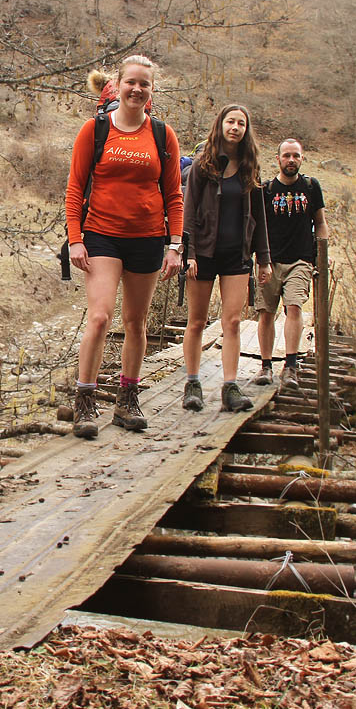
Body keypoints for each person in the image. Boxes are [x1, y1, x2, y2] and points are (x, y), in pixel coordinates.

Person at [66, 55, 183, 439]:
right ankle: (85, 401)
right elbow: (74, 187)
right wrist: (75, 239)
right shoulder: (94, 130)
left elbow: (173, 195)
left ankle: (127, 399)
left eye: (144, 84)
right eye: (131, 82)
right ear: (119, 84)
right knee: (100, 317)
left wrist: (175, 245)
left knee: (136, 323)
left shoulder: (162, 135)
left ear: (151, 91)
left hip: (148, 237)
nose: (137, 89)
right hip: (101, 234)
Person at [180, 104, 270, 412]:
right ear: (220, 125)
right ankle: (192, 384)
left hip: (237, 256)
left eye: (241, 123)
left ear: (246, 130)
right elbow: (188, 212)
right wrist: (187, 253)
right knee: (197, 321)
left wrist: (264, 259)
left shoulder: (249, 167)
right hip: (203, 254)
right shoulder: (202, 165)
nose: (235, 127)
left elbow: (259, 217)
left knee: (232, 321)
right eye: (230, 121)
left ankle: (230, 387)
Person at [251, 139, 329, 389]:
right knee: (266, 313)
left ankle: (291, 365)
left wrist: (321, 253)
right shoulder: (266, 189)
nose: (291, 160)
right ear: (278, 159)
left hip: (301, 260)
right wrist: (257, 258)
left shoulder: (310, 187)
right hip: (270, 261)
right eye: (287, 156)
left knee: (294, 307)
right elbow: (256, 227)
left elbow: (320, 221)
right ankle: (265, 366)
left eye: (296, 156)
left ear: (302, 159)